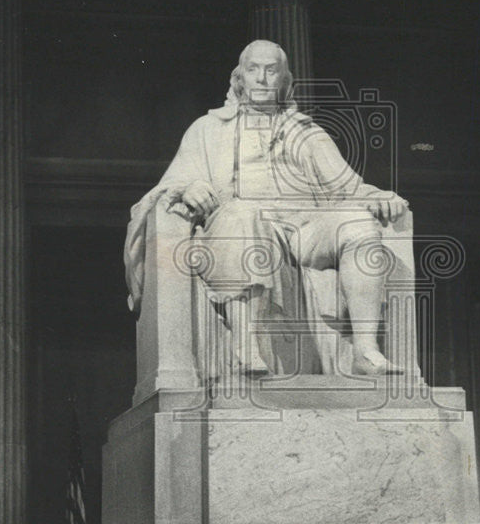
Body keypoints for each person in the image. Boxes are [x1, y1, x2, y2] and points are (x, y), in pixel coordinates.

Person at [139, 39, 408, 376]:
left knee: (358, 224)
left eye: (271, 70)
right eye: (253, 70)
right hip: (241, 223)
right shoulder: (207, 130)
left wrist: (376, 197)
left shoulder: (306, 132)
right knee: (244, 214)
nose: (262, 78)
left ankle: (366, 352)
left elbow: (347, 186)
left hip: (304, 229)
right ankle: (246, 345)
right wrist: (188, 188)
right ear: (240, 78)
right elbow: (171, 185)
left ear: (284, 80)